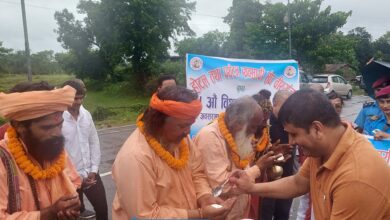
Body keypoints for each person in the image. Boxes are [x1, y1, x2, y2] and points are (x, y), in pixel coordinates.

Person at [230, 89, 390, 219]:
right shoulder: (326, 148)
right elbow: (298, 182)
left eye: (294, 134)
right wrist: (251, 187)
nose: (291, 142)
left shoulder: (356, 178)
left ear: (317, 129)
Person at [111, 86, 236, 219]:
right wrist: (199, 214)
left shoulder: (182, 140)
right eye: (182, 126)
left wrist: (204, 196)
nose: (188, 131)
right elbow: (144, 215)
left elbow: (197, 173)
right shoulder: (136, 158)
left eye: (190, 124)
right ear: (158, 122)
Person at [194, 96, 287, 220]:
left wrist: (268, 158)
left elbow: (242, 170)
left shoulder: (238, 135)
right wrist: (258, 168)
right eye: (253, 127)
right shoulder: (210, 137)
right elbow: (221, 187)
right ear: (238, 122)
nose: (254, 133)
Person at [0, 81, 82, 219]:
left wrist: (70, 206)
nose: (57, 133)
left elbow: (74, 182)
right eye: (47, 128)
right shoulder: (3, 160)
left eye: (59, 125)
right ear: (19, 125)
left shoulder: (52, 147)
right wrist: (47, 214)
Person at [62, 79, 108, 220]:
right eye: (75, 98)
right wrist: (72, 177)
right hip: (69, 177)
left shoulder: (86, 115)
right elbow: (56, 152)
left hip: (90, 173)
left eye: (81, 98)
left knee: (102, 208)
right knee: (73, 214)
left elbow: (93, 142)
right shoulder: (58, 118)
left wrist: (94, 170)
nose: (79, 102)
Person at [260, 90, 294, 220]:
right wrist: (272, 153)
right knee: (265, 214)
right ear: (275, 104)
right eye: (285, 107)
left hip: (287, 175)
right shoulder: (263, 124)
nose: (289, 111)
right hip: (267, 178)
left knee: (283, 213)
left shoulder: (292, 122)